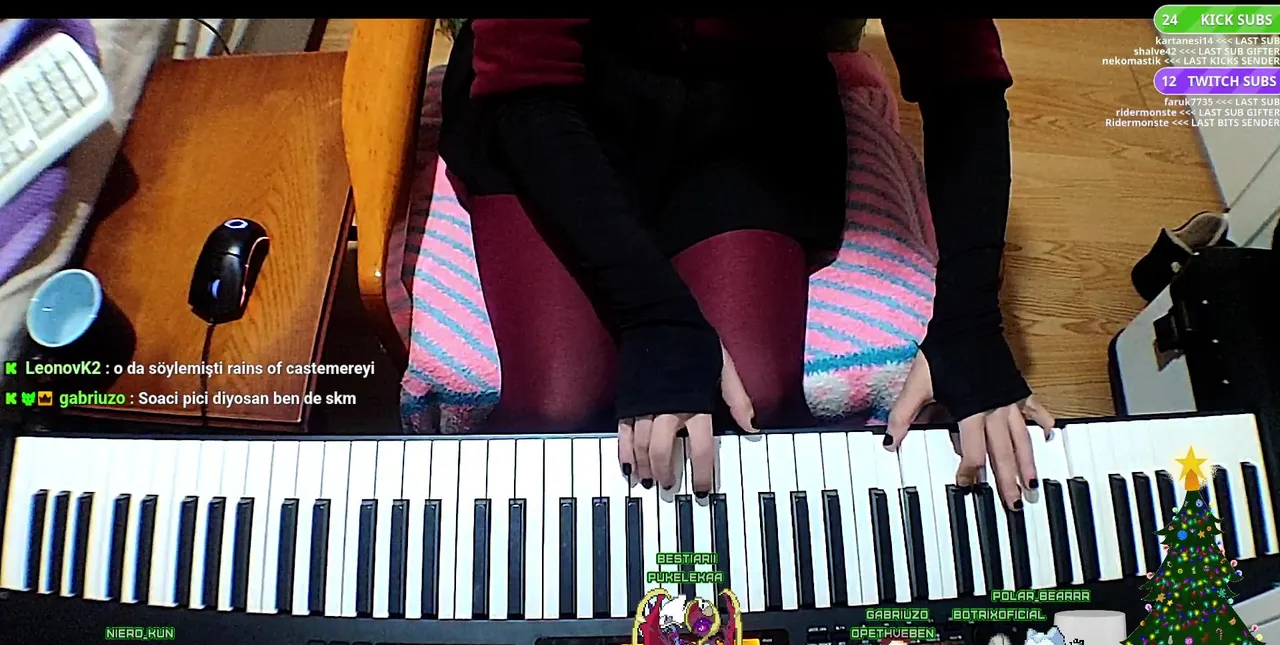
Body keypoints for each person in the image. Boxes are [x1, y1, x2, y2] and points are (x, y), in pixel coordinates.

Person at [438, 18, 1052, 508]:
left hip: (752, 98)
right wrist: (658, 318)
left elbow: (959, 70)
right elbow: (526, 69)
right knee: (555, 411)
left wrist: (969, 323)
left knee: (755, 405)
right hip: (558, 95)